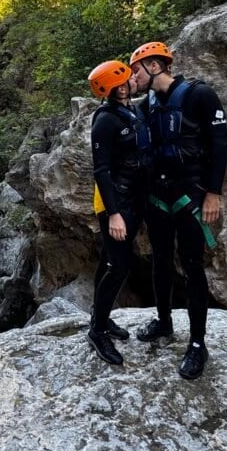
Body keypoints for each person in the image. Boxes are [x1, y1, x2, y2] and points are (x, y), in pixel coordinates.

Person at [128, 41, 227, 379]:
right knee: (159, 259)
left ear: (155, 65)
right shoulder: (146, 105)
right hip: (158, 194)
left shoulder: (200, 96)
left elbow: (219, 146)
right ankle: (164, 321)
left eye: (136, 70)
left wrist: (213, 194)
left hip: (190, 194)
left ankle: (198, 343)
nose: (133, 76)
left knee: (191, 264)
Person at [86, 60, 151, 365]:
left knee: (108, 261)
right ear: (110, 91)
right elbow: (101, 170)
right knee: (119, 266)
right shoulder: (105, 121)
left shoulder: (133, 110)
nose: (126, 86)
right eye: (119, 85)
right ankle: (97, 331)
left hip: (133, 197)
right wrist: (114, 214)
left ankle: (100, 317)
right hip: (114, 201)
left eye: (126, 81)